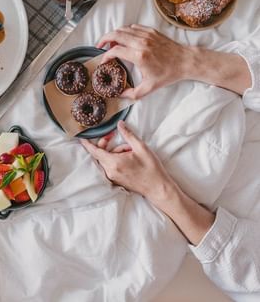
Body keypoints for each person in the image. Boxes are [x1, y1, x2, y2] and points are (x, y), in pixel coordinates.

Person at [80, 25, 260, 295]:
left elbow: (244, 266)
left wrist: (156, 187)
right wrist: (186, 60)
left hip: (173, 206)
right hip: (214, 76)